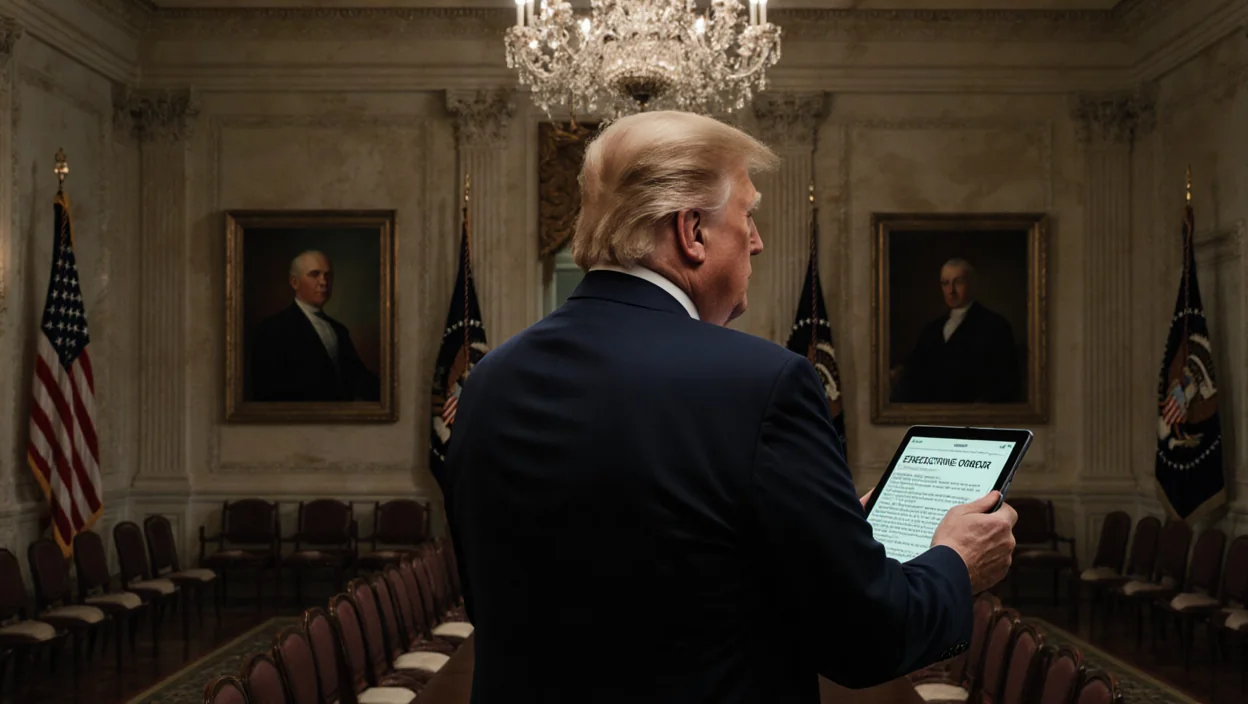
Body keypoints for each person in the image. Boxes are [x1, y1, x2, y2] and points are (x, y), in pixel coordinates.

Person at [440, 111, 1018, 702]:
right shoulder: (765, 383)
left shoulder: (486, 384)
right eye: (748, 214)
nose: (759, 240)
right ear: (691, 231)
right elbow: (868, 638)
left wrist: (825, 526)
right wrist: (955, 559)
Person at [249, 249, 379, 402]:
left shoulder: (339, 330)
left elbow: (358, 378)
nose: (324, 282)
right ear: (294, 282)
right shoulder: (272, 329)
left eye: (327, 275)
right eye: (314, 274)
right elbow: (267, 393)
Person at [890, 258, 1021, 404]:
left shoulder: (995, 325)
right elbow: (916, 364)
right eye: (945, 283)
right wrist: (899, 371)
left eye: (958, 282)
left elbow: (1006, 381)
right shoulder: (932, 328)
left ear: (972, 284)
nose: (951, 291)